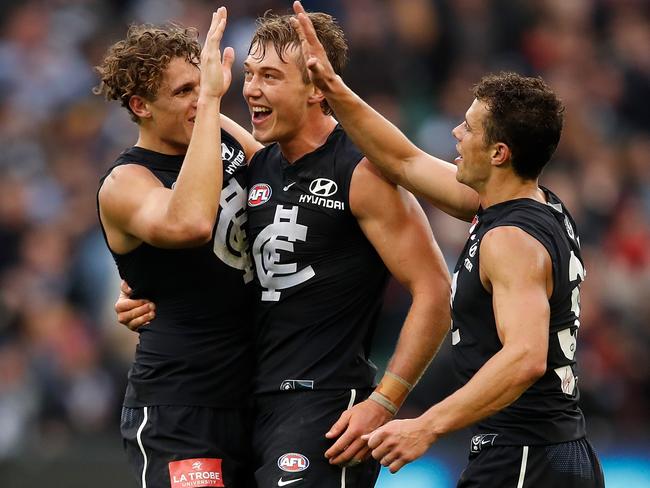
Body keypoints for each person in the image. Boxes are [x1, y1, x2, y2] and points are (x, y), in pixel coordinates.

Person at [117, 9, 452, 488]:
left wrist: (385, 400)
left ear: (317, 88)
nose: (250, 89)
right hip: (250, 407)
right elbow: (198, 244)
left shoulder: (362, 173)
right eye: (249, 74)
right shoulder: (256, 163)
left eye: (270, 76)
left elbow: (436, 290)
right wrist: (142, 288)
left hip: (326, 407)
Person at [291, 2, 605, 486]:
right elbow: (403, 161)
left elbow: (525, 356)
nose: (456, 133)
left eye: (469, 127)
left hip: (526, 458)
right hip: (541, 451)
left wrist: (427, 425)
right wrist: (330, 86)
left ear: (499, 153)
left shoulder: (511, 239)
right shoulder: (527, 202)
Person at [94, 9, 258, 488]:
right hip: (180, 406)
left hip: (258, 397)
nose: (199, 100)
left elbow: (287, 185)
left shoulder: (224, 137)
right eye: (182, 92)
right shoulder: (125, 182)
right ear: (141, 105)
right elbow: (190, 223)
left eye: (199, 85)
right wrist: (209, 103)